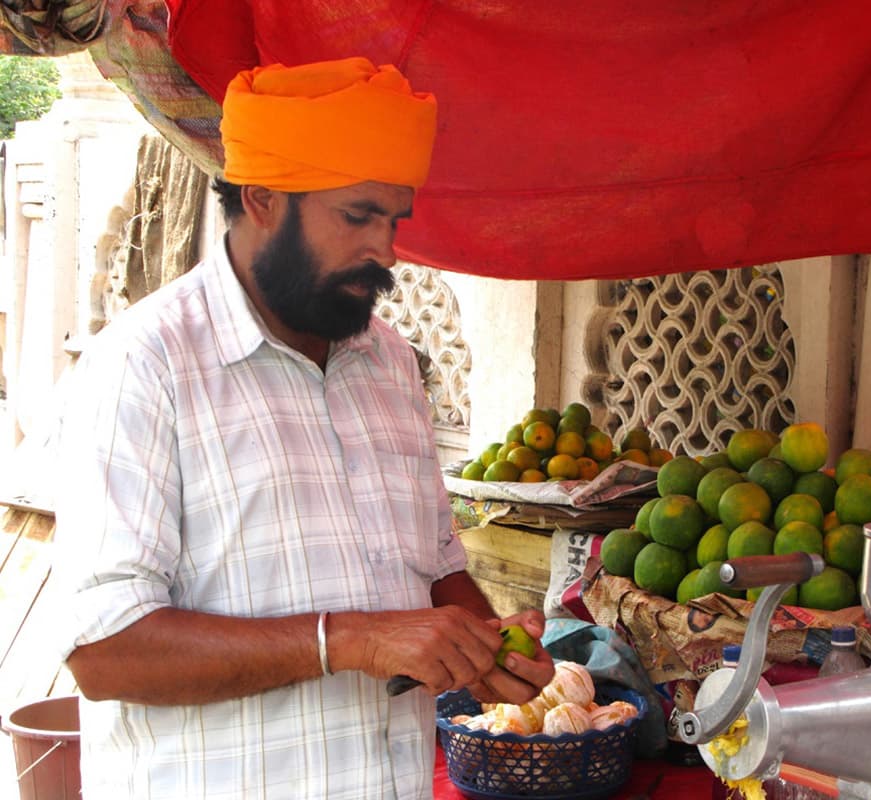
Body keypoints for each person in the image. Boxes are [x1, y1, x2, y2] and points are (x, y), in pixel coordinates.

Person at [52, 56, 555, 798]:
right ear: (260, 199)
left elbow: (437, 564)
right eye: (357, 216)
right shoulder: (144, 366)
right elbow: (104, 651)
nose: (385, 252)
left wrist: (485, 652)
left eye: (394, 220)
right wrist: (349, 640)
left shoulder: (388, 363)